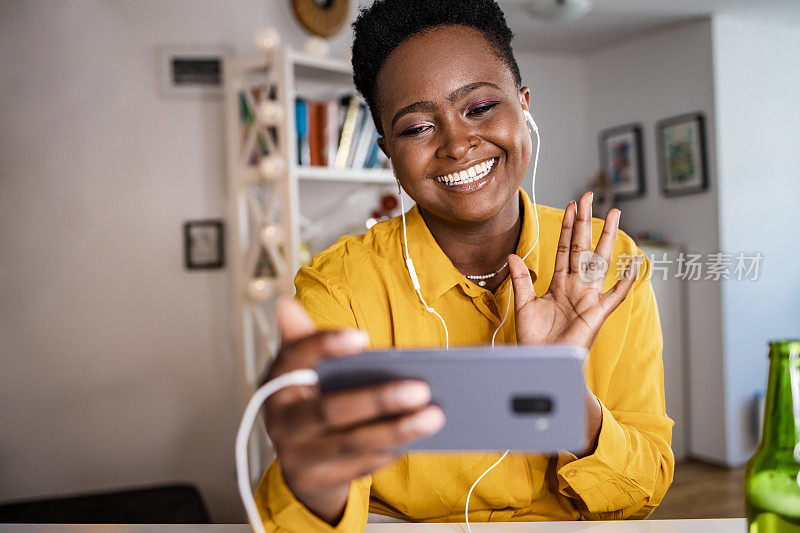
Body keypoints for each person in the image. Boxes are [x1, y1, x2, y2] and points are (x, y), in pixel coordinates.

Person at [255, 0, 674, 530]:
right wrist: (316, 474)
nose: (457, 144)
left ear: (524, 105)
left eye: (479, 108)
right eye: (416, 128)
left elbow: (643, 492)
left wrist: (564, 392)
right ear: (388, 151)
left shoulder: (608, 262)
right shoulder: (340, 289)